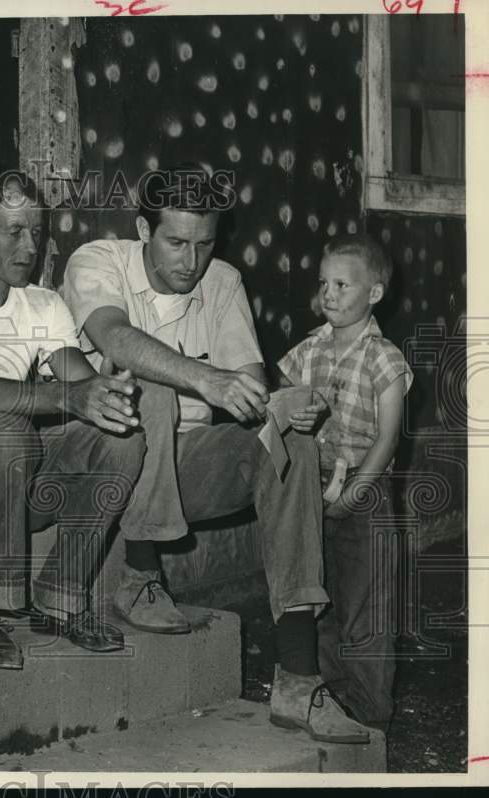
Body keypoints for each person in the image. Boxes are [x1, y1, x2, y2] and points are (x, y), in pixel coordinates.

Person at [61, 163, 372, 743]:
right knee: (144, 384)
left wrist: (287, 406)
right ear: (143, 229)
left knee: (290, 442)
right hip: (107, 460)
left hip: (189, 465)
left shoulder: (222, 280)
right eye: (176, 243)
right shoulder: (98, 261)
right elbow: (114, 338)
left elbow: (250, 387)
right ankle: (139, 572)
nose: (191, 261)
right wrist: (206, 379)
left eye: (204, 244)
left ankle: (298, 677)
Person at [0, 171, 145, 669]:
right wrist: (71, 395)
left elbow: (80, 383)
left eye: (37, 233)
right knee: (5, 429)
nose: (30, 247)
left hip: (18, 474)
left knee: (121, 437)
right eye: (15, 231)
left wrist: (108, 392)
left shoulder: (42, 303)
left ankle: (59, 599)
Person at [278, 234, 412, 733]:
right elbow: (284, 411)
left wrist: (353, 495)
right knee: (322, 599)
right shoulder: (308, 349)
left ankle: (371, 710)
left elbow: (388, 439)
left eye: (341, 285)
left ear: (374, 293)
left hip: (365, 490)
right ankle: (333, 697)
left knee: (364, 605)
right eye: (323, 283)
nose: (328, 294)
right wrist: (297, 414)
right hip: (312, 486)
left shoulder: (384, 359)